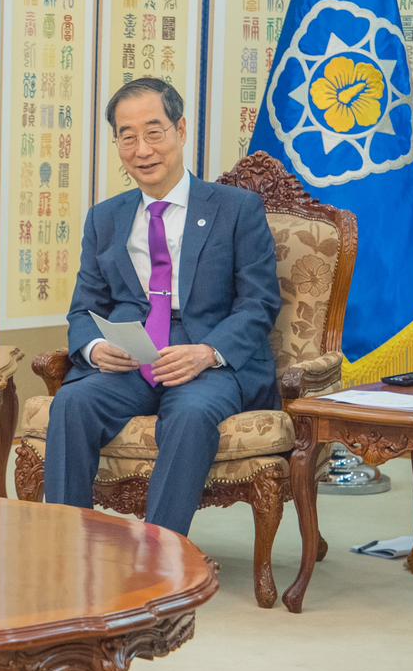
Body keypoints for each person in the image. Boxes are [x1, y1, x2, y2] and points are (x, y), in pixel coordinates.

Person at [44, 78, 281, 534]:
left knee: (190, 414)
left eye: (154, 133)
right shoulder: (105, 218)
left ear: (181, 130)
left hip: (209, 362)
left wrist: (207, 352)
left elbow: (259, 303)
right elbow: (84, 308)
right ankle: (67, 543)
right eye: (127, 137)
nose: (143, 150)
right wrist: (96, 348)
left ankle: (160, 552)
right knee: (72, 402)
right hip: (132, 361)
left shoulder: (237, 209)